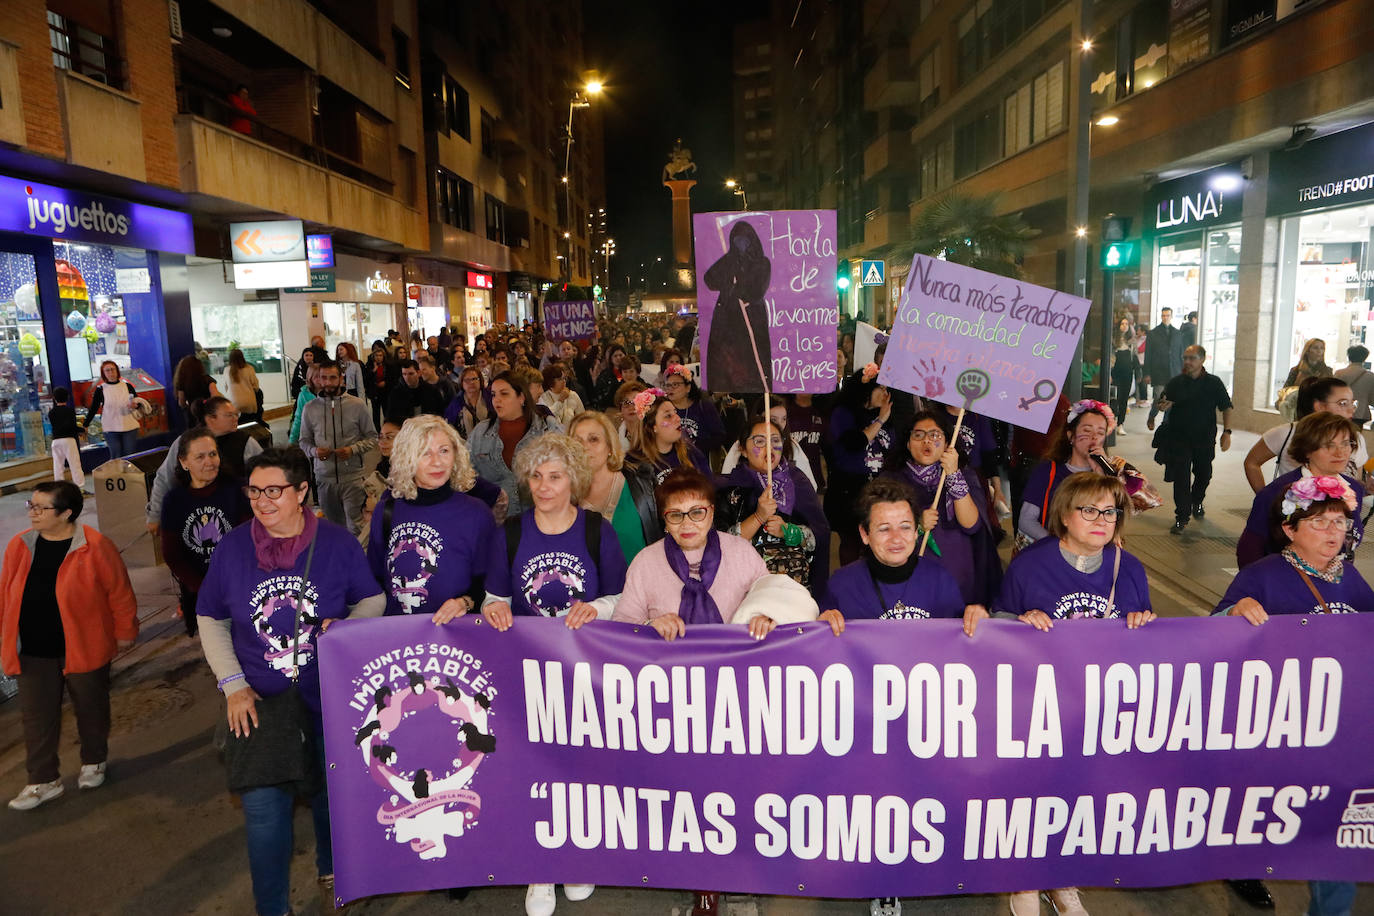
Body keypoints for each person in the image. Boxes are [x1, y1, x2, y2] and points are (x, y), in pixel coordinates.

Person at [196, 447, 384, 916]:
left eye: (274, 490)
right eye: (255, 491)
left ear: (302, 492)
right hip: (258, 702)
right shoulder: (234, 548)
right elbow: (210, 616)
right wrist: (233, 683)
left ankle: (331, 872)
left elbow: (373, 600)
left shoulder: (337, 545)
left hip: (327, 699)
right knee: (263, 814)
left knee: (327, 796)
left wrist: (346, 630)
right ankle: (273, 908)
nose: (262, 501)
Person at [997, 475, 1152, 916]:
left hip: (1098, 710)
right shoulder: (1030, 565)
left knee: (1080, 795)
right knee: (1031, 792)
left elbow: (1145, 640)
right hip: (1038, 706)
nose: (1101, 520)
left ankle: (1063, 879)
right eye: (1089, 510)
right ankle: (1024, 878)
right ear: (1064, 515)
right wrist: (1018, 620)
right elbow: (996, 625)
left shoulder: (1131, 567)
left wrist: (1144, 622)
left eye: (1110, 511)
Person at [1216, 472, 1368, 916]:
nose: (1332, 533)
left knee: (1333, 828)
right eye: (1319, 523)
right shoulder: (1263, 576)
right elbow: (1209, 638)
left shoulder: (1351, 578)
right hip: (1276, 726)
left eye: (1340, 523)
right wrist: (1233, 611)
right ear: (1289, 529)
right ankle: (1242, 864)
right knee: (1265, 811)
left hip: (1336, 730)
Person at [1, 481, 136, 811]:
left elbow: (118, 591)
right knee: (36, 717)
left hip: (84, 644)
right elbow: (6, 594)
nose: (32, 513)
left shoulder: (94, 546)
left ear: (66, 514)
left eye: (40, 508)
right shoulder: (20, 546)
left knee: (90, 707)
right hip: (33, 649)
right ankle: (43, 781)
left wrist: (125, 630)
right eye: (31, 506)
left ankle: (94, 761)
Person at [367, 416, 495, 618]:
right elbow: (372, 582)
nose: (437, 462)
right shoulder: (386, 511)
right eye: (425, 453)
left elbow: (489, 583)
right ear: (407, 458)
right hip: (398, 638)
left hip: (455, 639)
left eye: (444, 450)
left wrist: (465, 602)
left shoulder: (477, 514)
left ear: (456, 455)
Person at [820, 477, 979, 628]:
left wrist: (975, 620)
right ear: (864, 534)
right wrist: (821, 627)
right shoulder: (841, 586)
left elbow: (961, 641)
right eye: (884, 529)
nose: (896, 539)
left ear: (916, 531)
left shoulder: (940, 580)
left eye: (905, 527)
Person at [885, 409, 1001, 605]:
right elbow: (880, 531)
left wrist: (954, 475)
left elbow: (971, 525)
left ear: (948, 444)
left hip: (958, 574)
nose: (926, 441)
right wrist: (917, 525)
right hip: (911, 574)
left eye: (935, 435)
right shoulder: (891, 481)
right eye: (918, 435)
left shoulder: (966, 476)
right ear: (907, 443)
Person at [717, 416, 830, 596]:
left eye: (775, 441)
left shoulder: (798, 481)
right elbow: (720, 545)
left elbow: (819, 536)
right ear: (743, 450)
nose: (769, 448)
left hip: (795, 590)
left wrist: (788, 531)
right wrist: (758, 517)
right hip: (747, 591)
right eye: (759, 441)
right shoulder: (728, 488)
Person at [1237, 412, 1364, 568]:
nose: (1340, 452)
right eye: (1328, 445)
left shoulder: (1354, 489)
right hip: (1287, 583)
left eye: (1345, 443)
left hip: (1336, 582)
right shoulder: (1276, 492)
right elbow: (1249, 550)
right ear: (1307, 450)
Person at [159, 427, 252, 637]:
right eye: (200, 457)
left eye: (213, 454)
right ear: (184, 462)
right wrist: (202, 588)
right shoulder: (174, 501)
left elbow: (248, 541)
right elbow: (172, 554)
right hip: (199, 591)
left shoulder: (238, 490)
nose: (209, 462)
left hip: (240, 586)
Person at [147, 397, 264, 533]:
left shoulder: (246, 442)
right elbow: (164, 479)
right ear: (210, 419)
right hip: (192, 516)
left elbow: (265, 476)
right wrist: (155, 515)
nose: (235, 418)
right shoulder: (185, 442)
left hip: (234, 516)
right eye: (229, 415)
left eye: (235, 414)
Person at [1149, 345, 1234, 533]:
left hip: (1204, 438)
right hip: (1179, 438)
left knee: (1204, 474)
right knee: (1181, 477)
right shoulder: (1176, 383)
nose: (1187, 362)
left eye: (1192, 358)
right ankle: (1182, 516)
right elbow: (1163, 402)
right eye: (1185, 357)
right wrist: (1160, 408)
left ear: (1202, 359)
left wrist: (1226, 432)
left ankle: (1197, 500)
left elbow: (1226, 407)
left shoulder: (1214, 383)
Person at [826, 365, 905, 564]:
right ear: (867, 390)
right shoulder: (843, 413)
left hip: (879, 490)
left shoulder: (884, 417)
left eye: (888, 390)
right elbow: (854, 443)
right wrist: (881, 420)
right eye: (882, 389)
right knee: (852, 545)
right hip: (849, 492)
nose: (886, 394)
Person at [1243, 376, 1368, 492]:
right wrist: (1265, 498)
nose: (1351, 409)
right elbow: (1252, 463)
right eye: (1342, 403)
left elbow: (1355, 479)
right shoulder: (1286, 433)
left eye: (1353, 403)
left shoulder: (1357, 438)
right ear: (1319, 406)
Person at [1018, 400, 1116, 544]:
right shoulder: (1047, 471)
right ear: (1071, 436)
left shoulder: (1109, 474)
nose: (1094, 438)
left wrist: (1101, 475)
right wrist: (1062, 546)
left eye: (1100, 433)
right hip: (1052, 553)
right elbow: (1026, 520)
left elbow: (1113, 517)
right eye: (1087, 431)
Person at [297, 360, 378, 535]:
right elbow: (303, 441)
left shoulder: (357, 405)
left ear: (341, 379)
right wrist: (315, 452)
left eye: (332, 377)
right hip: (324, 479)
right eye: (323, 378)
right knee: (334, 529)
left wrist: (352, 450)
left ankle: (359, 560)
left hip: (353, 478)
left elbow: (372, 437)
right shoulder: (310, 408)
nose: (327, 382)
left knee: (356, 526)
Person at [569, 411, 658, 564]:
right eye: (577, 442)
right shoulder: (565, 493)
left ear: (610, 446)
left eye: (593, 439)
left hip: (643, 583)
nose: (585, 447)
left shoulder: (641, 482)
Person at [468, 371, 561, 515]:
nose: (496, 400)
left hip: (539, 518)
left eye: (504, 394)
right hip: (494, 521)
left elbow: (566, 471)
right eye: (493, 395)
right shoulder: (480, 432)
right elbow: (465, 473)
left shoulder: (547, 428)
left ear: (521, 397)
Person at [703, 221, 772, 392]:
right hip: (727, 320)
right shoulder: (729, 261)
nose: (741, 244)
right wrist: (729, 277)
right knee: (726, 360)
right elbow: (709, 279)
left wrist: (737, 286)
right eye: (737, 240)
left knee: (752, 358)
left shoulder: (762, 263)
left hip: (751, 318)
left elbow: (756, 291)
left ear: (752, 241)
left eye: (745, 240)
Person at [626, 389, 710, 485]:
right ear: (653, 427)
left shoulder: (691, 452)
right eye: (668, 416)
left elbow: (708, 487)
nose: (678, 419)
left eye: (675, 412)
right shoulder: (633, 463)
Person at [83, 360, 143, 459]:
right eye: (107, 370)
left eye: (112, 369)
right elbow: (94, 408)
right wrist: (86, 424)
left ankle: (128, 474)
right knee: (116, 454)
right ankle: (117, 474)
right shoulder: (100, 389)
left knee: (130, 455)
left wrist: (136, 405)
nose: (110, 373)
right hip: (110, 427)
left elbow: (138, 403)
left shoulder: (127, 386)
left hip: (129, 425)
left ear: (117, 371)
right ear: (103, 373)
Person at [357, 416, 402, 545]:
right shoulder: (382, 468)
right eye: (381, 436)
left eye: (389, 437)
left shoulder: (412, 473)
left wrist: (377, 508)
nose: (382, 442)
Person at [663, 365, 726, 455]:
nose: (670, 388)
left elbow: (720, 436)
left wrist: (696, 447)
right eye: (668, 385)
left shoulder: (704, 407)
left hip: (701, 461)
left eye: (675, 384)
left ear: (688, 388)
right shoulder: (663, 410)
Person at [1142, 307, 1180, 427]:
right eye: (1163, 315)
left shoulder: (1177, 333)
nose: (1165, 318)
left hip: (1174, 371)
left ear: (1171, 316)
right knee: (1159, 397)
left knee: (1170, 399)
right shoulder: (1153, 333)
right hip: (1158, 371)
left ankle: (1165, 424)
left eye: (1167, 315)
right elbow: (1148, 355)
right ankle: (1152, 416)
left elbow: (1180, 354)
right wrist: (1147, 373)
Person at [48, 387, 84, 488]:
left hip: (56, 441)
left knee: (58, 465)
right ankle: (80, 487)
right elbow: (70, 426)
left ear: (54, 398)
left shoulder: (51, 413)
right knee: (74, 464)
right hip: (68, 440)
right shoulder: (69, 411)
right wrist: (81, 430)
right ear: (67, 398)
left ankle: (59, 488)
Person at [174, 354, 220, 426]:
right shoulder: (207, 379)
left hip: (192, 414)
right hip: (208, 413)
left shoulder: (183, 382)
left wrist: (190, 406)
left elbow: (181, 403)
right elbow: (216, 396)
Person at [447, 365, 493, 438]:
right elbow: (449, 426)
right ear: (462, 383)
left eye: (474, 379)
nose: (471, 382)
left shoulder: (490, 398)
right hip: (465, 444)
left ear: (480, 380)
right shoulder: (456, 403)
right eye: (467, 380)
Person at [1110, 315, 1138, 433]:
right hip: (1115, 371)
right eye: (1122, 323)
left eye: (1126, 324)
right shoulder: (1113, 340)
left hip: (1127, 372)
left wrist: (1138, 373)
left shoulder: (1132, 341)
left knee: (1124, 398)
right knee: (1115, 397)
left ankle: (1120, 424)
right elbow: (1110, 358)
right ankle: (1112, 421)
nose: (1124, 326)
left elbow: (1135, 358)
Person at [1337, 344, 1374, 428]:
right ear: (1365, 358)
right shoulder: (1370, 376)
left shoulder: (1339, 373)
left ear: (1349, 356)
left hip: (1342, 412)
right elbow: (1372, 400)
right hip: (1362, 414)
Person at [540, 364, 585, 429]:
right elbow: (548, 417)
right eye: (560, 379)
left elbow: (582, 417)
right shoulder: (544, 397)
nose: (564, 381)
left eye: (564, 378)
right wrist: (560, 400)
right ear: (550, 382)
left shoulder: (573, 395)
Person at [225, 348, 262, 424]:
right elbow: (256, 386)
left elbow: (226, 388)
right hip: (249, 404)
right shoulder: (249, 369)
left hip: (233, 404)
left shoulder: (226, 370)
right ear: (242, 357)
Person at [364, 345, 391, 429]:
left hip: (385, 391)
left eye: (380, 355)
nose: (378, 357)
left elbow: (392, 378)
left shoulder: (388, 365)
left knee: (386, 412)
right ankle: (377, 430)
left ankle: (386, 428)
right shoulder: (369, 365)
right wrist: (374, 370)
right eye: (377, 355)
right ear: (373, 356)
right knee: (376, 413)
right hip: (374, 392)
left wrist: (385, 382)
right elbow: (366, 379)